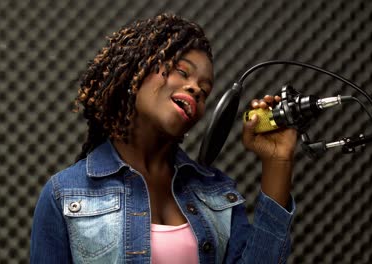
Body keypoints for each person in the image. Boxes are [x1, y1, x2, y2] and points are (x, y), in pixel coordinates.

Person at [30, 13, 298, 264]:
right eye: (182, 72)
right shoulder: (63, 194)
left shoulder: (215, 192)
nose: (195, 88)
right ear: (136, 70)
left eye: (204, 91)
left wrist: (278, 162)